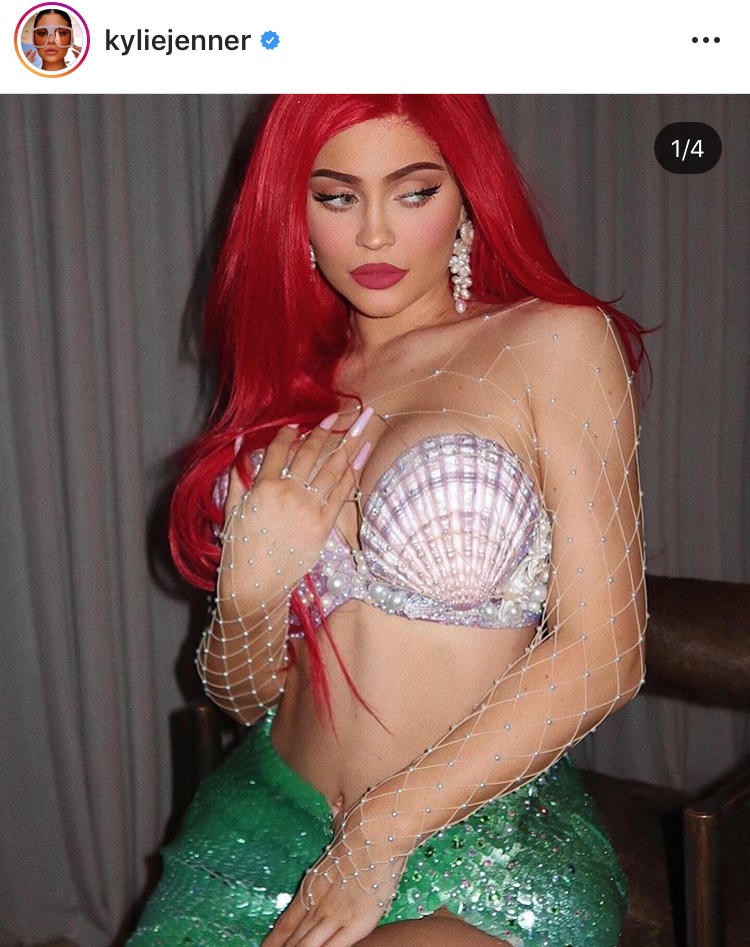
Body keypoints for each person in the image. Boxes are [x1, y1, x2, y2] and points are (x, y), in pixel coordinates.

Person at [129, 95, 648, 947]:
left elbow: (606, 655)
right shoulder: (286, 387)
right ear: (294, 211)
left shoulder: (551, 342)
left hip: (477, 847)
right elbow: (247, 696)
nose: (374, 234)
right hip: (265, 827)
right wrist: (251, 595)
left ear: (469, 196)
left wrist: (379, 829)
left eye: (413, 192)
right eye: (337, 196)